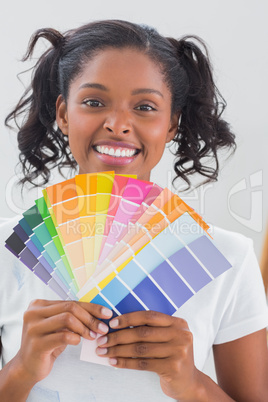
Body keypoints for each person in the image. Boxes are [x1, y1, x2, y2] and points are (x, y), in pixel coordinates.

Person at [1, 19, 268, 401]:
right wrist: (21, 370)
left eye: (145, 107)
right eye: (94, 102)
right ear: (63, 113)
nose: (118, 124)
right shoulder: (6, 248)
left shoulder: (229, 257)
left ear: (172, 123)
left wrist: (191, 383)